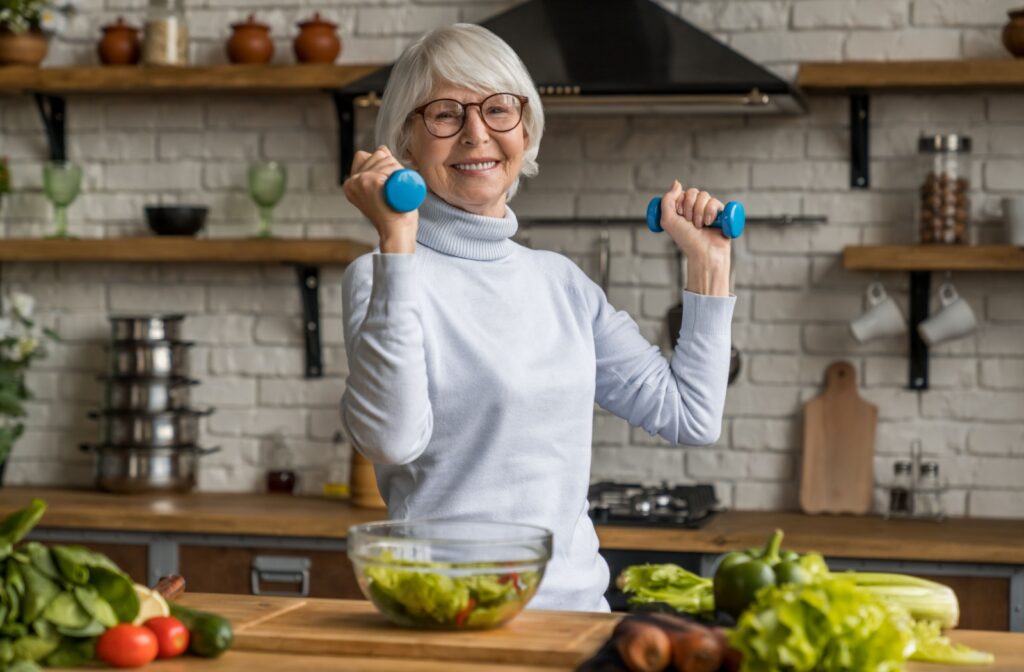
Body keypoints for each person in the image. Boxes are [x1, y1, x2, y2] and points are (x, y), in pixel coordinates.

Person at [340, 23, 735, 612]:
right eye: (446, 114)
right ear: (406, 139)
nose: (477, 134)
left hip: (577, 619)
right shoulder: (383, 275)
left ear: (524, 129)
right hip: (450, 619)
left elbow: (691, 416)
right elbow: (392, 441)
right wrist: (398, 237)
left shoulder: (562, 283)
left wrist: (709, 262)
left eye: (498, 109)